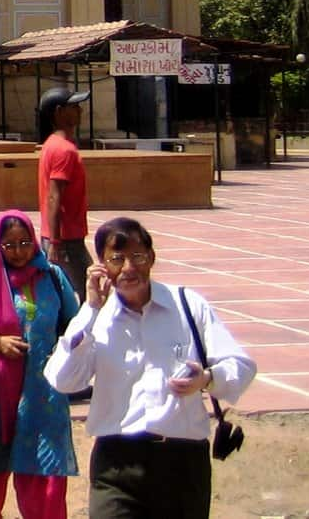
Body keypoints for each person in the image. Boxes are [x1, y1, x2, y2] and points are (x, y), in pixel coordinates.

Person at [44, 217, 256, 519]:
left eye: (137, 256)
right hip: (116, 466)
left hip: (182, 462)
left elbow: (241, 366)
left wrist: (207, 380)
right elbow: (62, 379)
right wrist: (89, 309)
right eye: (117, 259)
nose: (129, 268)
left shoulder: (187, 305)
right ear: (101, 265)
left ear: (151, 258)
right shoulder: (96, 319)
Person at [0, 209, 79, 519]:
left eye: (25, 243)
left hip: (44, 397)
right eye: (9, 245)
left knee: (46, 482)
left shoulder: (52, 277)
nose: (18, 252)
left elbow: (74, 322)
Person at [37, 87, 92, 301]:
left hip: (59, 235)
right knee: (90, 292)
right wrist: (56, 242)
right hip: (65, 238)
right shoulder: (64, 150)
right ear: (59, 112)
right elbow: (54, 196)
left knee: (65, 293)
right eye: (74, 106)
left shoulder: (52, 144)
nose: (80, 110)